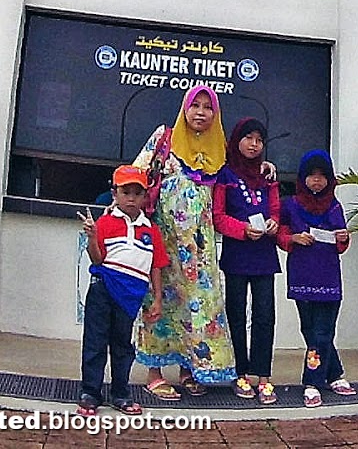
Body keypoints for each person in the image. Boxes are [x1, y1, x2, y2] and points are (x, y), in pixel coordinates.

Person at [131, 85, 249, 398]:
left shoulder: (220, 150)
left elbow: (245, 172)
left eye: (207, 107)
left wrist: (265, 168)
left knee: (197, 308)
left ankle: (190, 369)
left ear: (216, 113)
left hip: (199, 252)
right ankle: (154, 373)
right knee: (158, 302)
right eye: (194, 105)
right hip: (163, 243)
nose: (200, 112)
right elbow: (137, 175)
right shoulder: (164, 138)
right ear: (185, 108)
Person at [77, 165, 168, 416]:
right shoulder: (105, 223)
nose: (131, 198)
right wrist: (93, 238)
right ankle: (90, 393)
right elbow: (97, 260)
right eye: (125, 191)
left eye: (137, 193)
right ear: (114, 193)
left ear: (145, 197)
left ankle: (121, 393)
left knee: (122, 345)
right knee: (95, 342)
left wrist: (157, 299)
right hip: (103, 289)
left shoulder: (151, 230)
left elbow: (156, 266)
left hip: (130, 297)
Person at [278, 149, 356, 408]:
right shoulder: (290, 204)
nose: (317, 181)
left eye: (322, 176)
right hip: (302, 274)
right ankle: (335, 374)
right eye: (311, 176)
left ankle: (312, 382)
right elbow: (280, 234)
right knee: (311, 330)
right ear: (302, 178)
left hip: (329, 276)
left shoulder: (334, 205)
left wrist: (344, 239)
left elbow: (341, 242)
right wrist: (293, 238)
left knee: (323, 331)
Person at [213, 117, 282, 404]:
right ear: (237, 140)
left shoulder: (268, 177)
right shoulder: (224, 175)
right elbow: (217, 217)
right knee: (236, 314)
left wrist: (274, 223)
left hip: (265, 255)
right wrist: (242, 230)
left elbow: (276, 211)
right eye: (248, 138)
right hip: (237, 255)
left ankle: (263, 376)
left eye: (259, 140)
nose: (254, 145)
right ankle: (239, 373)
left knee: (265, 315)